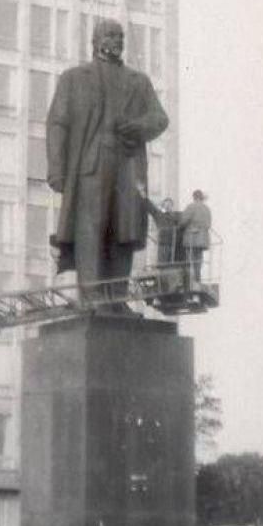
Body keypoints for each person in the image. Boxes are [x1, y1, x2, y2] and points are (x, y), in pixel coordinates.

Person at [46, 18, 169, 310]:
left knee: (123, 231)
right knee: (91, 228)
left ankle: (117, 297)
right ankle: (92, 297)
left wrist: (138, 127)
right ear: (96, 40)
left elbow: (159, 118)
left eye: (120, 36)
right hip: (91, 164)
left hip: (127, 164)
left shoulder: (138, 81)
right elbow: (57, 123)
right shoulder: (74, 78)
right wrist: (56, 168)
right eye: (110, 35)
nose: (117, 40)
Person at [180, 189, 212, 284]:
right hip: (202, 240)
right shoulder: (207, 209)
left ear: (194, 197)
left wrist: (180, 227)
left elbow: (183, 221)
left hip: (192, 238)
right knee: (198, 261)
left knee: (190, 261)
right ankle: (198, 279)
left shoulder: (191, 207)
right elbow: (208, 224)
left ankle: (190, 281)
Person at [145, 197, 183, 266]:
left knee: (173, 266)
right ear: (163, 206)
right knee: (162, 265)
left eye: (170, 204)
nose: (168, 206)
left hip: (175, 245)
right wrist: (144, 196)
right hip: (163, 243)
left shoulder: (177, 215)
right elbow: (150, 206)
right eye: (166, 204)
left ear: (172, 206)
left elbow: (185, 220)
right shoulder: (159, 215)